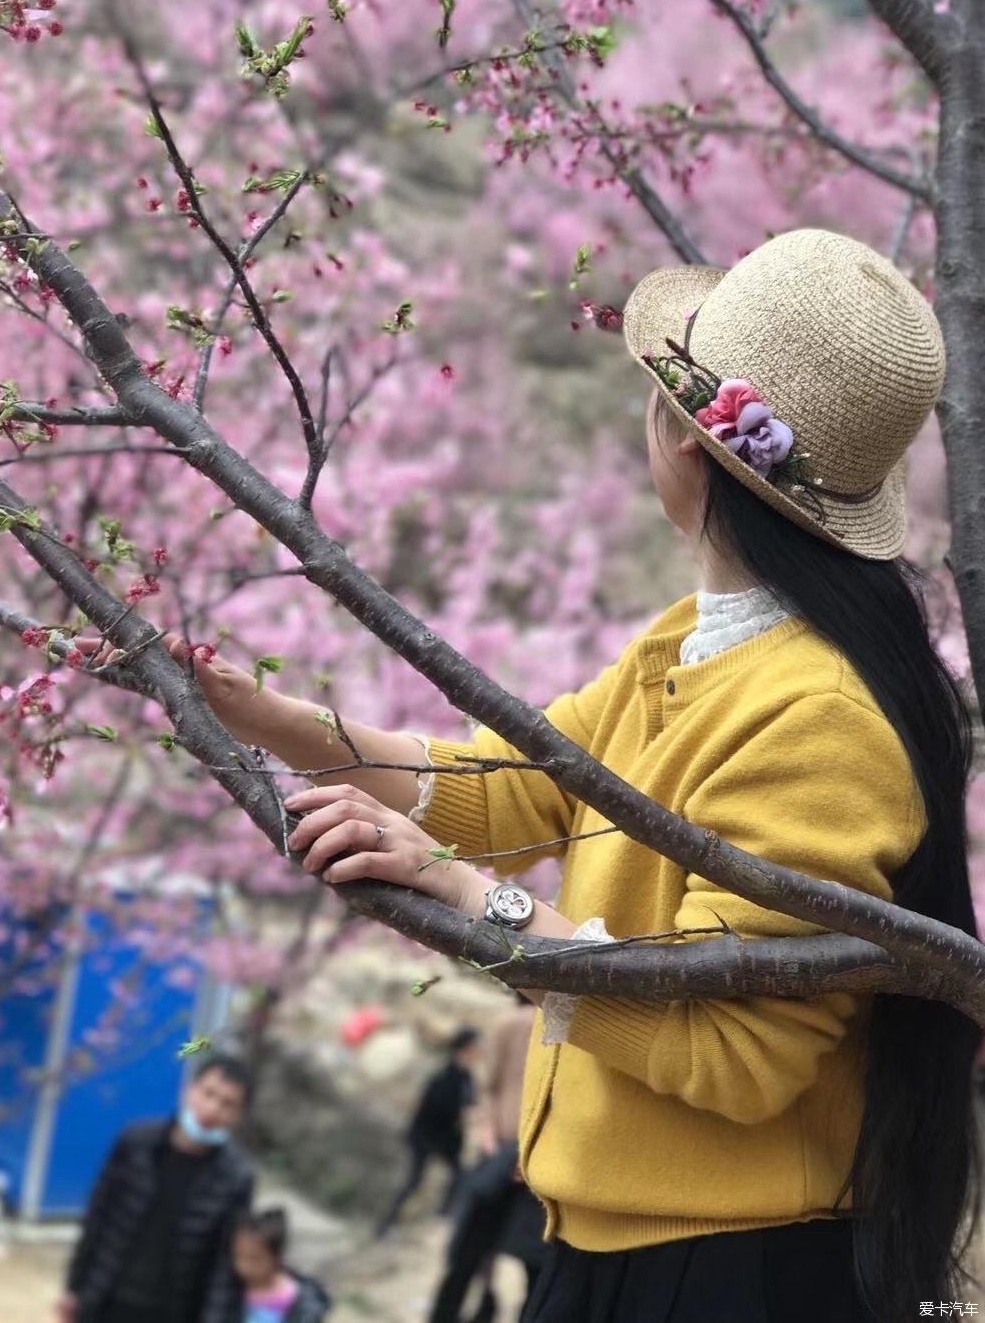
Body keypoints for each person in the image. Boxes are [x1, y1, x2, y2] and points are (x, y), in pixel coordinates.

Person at [84, 228, 982, 1321]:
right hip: (621, 1246)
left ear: (687, 438)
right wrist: (267, 714)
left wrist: (474, 897)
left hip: (728, 1273)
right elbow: (516, 788)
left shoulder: (816, 716)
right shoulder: (698, 643)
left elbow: (734, 1048)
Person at [58, 1052, 254, 1323]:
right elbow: (97, 1218)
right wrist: (74, 1287)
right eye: (208, 1093)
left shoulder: (236, 1178)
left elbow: (225, 1265)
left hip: (174, 1311)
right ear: (189, 1091)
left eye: (227, 1104)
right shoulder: (136, 1143)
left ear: (238, 1116)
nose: (212, 1109)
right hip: (107, 1298)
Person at [427, 995, 545, 1323]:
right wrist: (491, 1139)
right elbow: (488, 1087)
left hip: (532, 1166)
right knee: (479, 1257)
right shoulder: (520, 1022)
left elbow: (486, 1087)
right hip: (509, 1158)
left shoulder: (566, 1025)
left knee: (519, 1263)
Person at [375, 1026, 481, 1237]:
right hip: (427, 1134)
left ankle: (443, 1216)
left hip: (444, 1136)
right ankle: (388, 1223)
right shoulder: (444, 1077)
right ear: (465, 1049)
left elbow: (467, 1106)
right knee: (414, 1180)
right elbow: (437, 1108)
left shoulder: (465, 1078)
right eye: (475, 1047)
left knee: (458, 1174)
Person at [232, 1207, 331, 1323]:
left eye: (255, 1260)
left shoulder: (300, 1303)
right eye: (238, 1256)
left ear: (278, 1258)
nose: (243, 1267)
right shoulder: (231, 1289)